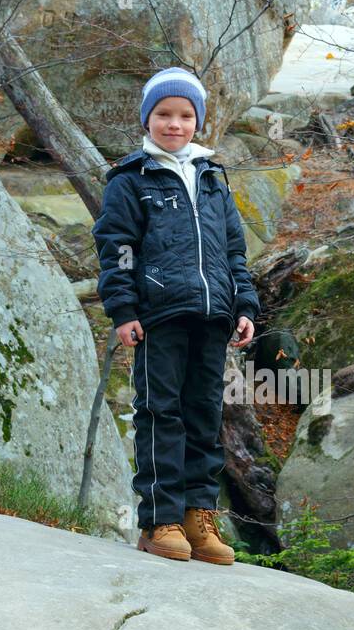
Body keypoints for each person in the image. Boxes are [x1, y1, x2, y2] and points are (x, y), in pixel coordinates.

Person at [92, 67, 262, 564]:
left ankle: (198, 518)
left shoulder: (212, 177)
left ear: (198, 121)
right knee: (160, 414)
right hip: (158, 317)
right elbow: (116, 248)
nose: (174, 123)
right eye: (163, 114)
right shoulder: (130, 180)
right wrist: (123, 308)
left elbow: (234, 250)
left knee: (203, 417)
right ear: (147, 120)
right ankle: (160, 520)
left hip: (213, 316)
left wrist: (244, 304)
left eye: (185, 115)